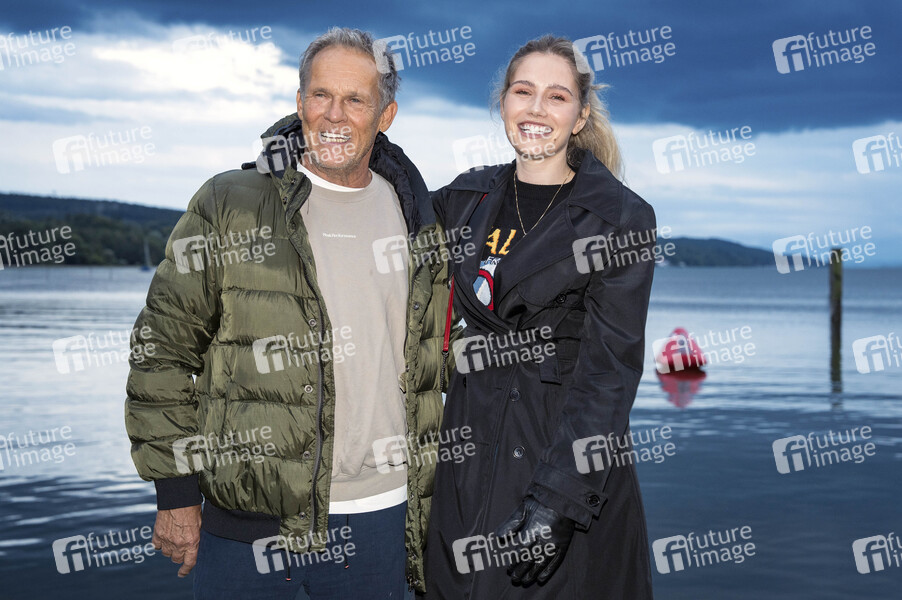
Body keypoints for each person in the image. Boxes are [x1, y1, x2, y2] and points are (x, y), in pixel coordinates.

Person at [124, 27, 459, 600]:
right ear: (300, 101)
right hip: (251, 522)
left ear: (386, 115)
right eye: (321, 95)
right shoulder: (229, 202)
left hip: (382, 519)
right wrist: (176, 494)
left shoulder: (418, 218)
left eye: (355, 100)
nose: (335, 115)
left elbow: (436, 356)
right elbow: (162, 350)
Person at [425, 35, 656, 598]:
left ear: (580, 116)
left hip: (557, 457)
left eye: (557, 96)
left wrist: (558, 501)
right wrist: (344, 146)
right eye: (522, 91)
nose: (536, 109)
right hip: (468, 453)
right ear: (503, 102)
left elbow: (610, 370)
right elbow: (392, 208)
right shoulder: (466, 198)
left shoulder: (619, 218)